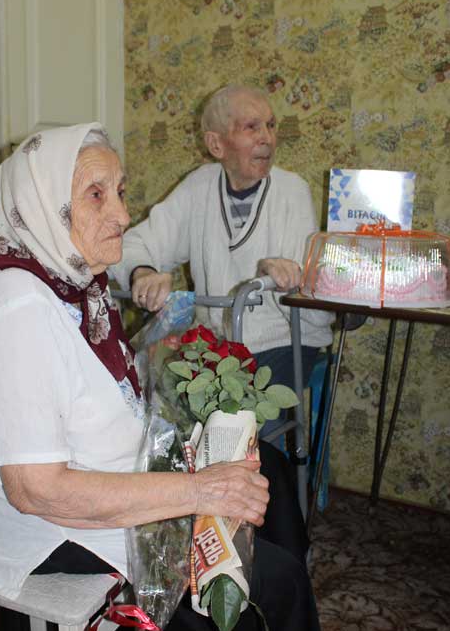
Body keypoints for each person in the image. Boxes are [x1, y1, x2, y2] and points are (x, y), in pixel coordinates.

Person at [0, 123, 327, 631]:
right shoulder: (16, 308)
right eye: (96, 194)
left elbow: (86, 398)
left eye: (121, 191)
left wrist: (186, 460)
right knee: (276, 576)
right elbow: (36, 490)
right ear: (42, 203)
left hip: (89, 475)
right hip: (48, 526)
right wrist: (196, 489)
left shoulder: (58, 284)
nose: (123, 214)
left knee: (274, 475)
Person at [111, 84, 333, 437]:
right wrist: (144, 272)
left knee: (241, 423)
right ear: (216, 145)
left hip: (283, 342)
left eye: (271, 125)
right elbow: (134, 244)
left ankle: (262, 473)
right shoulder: (198, 187)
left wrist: (280, 276)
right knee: (146, 405)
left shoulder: (292, 191)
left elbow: (312, 301)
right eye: (252, 127)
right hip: (215, 346)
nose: (267, 138)